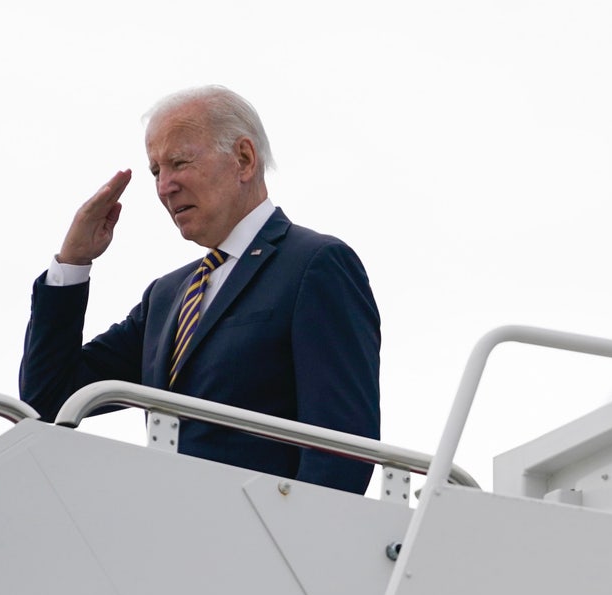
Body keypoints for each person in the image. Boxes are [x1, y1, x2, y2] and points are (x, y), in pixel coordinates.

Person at [19, 85, 379, 494]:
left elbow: (340, 449)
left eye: (179, 162)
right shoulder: (168, 295)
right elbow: (47, 401)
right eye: (156, 171)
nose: (164, 187)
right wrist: (73, 263)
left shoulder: (314, 264)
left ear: (243, 159)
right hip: (172, 536)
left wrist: (296, 542)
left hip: (266, 542)